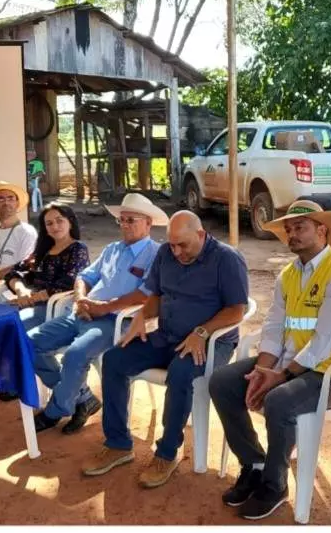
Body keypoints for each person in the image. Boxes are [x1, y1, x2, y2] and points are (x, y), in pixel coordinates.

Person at [209, 200, 331, 520]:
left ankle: (275, 484)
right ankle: (254, 464)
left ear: (322, 230)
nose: (291, 234)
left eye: (300, 227)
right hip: (290, 365)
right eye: (288, 229)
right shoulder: (288, 274)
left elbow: (324, 341)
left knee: (279, 401)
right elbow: (273, 328)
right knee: (223, 382)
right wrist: (262, 369)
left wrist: (280, 376)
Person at [81, 210, 249, 490]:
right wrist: (140, 316)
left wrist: (202, 332)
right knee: (114, 360)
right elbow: (156, 296)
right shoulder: (166, 254)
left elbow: (237, 310)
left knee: (181, 374)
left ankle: (167, 453)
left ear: (200, 234)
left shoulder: (227, 258)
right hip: (168, 335)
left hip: (211, 340)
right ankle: (119, 444)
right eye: (171, 244)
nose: (176, 251)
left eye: (183, 245)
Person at [27, 193, 164, 430]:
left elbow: (146, 294)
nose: (125, 225)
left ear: (148, 223)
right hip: (82, 312)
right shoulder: (113, 249)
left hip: (116, 320)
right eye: (122, 220)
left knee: (75, 355)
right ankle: (83, 397)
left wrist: (105, 308)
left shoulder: (157, 254)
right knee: (29, 342)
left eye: (132, 220)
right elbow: (84, 276)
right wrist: (80, 299)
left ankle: (56, 410)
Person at [3, 203, 90, 332]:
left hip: (51, 306)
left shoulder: (78, 249)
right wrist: (21, 290)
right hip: (26, 302)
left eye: (59, 221)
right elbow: (14, 272)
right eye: (49, 223)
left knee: (8, 327)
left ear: (70, 222)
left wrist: (32, 298)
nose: (55, 226)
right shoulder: (43, 250)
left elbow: (69, 282)